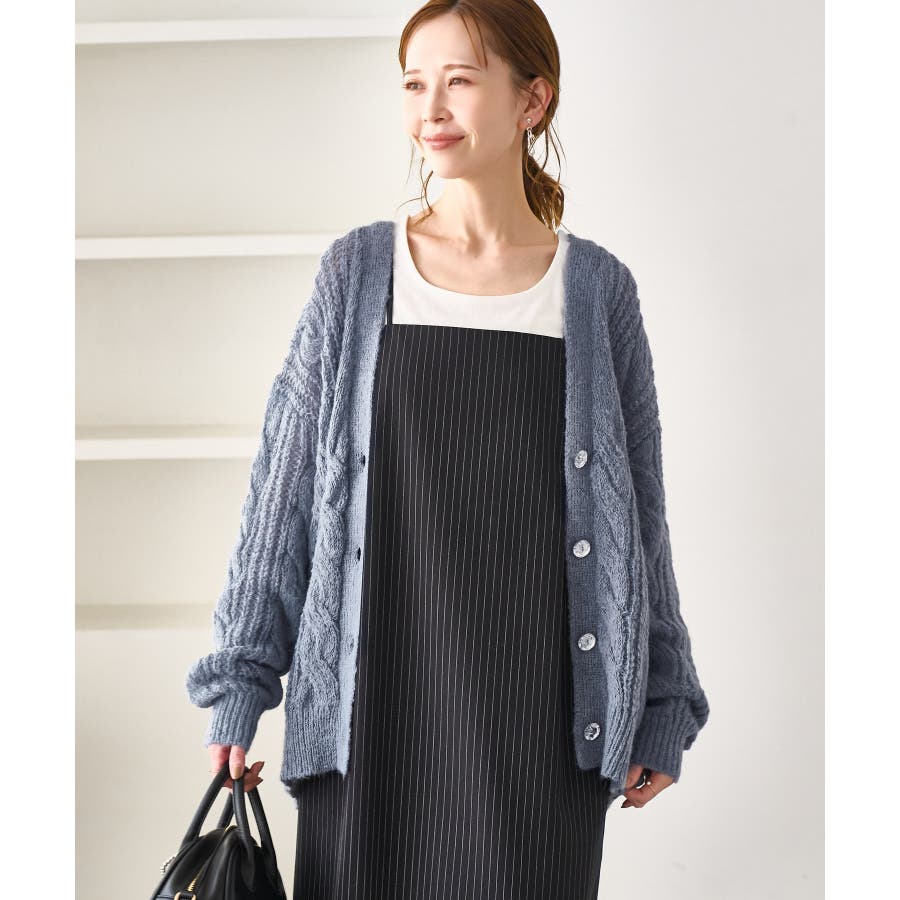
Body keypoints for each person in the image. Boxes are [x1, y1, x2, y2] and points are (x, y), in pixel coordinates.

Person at [187, 1, 710, 897]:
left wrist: (663, 700)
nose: (430, 107)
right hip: (371, 717)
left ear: (532, 100)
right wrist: (241, 680)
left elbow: (642, 518)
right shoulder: (358, 273)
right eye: (414, 83)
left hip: (541, 727)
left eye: (459, 81)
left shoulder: (595, 291)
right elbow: (284, 494)